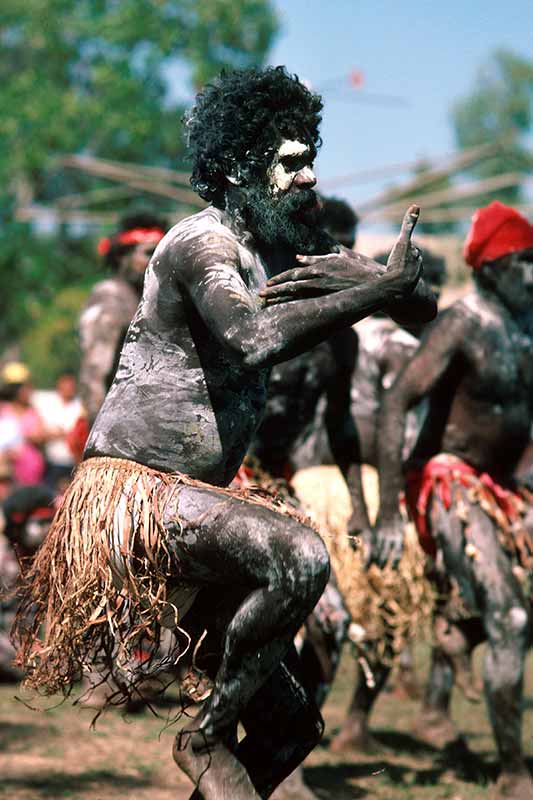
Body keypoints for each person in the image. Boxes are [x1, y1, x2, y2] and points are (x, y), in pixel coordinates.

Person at [13, 66, 434, 800]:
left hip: (197, 501)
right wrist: (373, 291)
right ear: (241, 166)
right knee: (300, 555)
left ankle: (214, 751)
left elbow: (421, 310)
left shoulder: (281, 249)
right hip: (136, 492)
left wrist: (387, 280)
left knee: (291, 730)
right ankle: (203, 733)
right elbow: (249, 340)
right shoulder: (198, 245)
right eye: (292, 161)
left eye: (312, 159)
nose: (308, 176)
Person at [373, 201, 533, 800]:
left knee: (511, 614)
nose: (532, 274)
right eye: (522, 263)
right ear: (491, 268)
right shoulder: (461, 323)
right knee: (510, 617)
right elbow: (395, 405)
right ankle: (515, 774)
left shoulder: (529, 324)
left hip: (507, 488)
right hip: (447, 480)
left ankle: (462, 632)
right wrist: (389, 510)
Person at [328, 248, 448, 755]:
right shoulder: (394, 341)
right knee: (385, 607)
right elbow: (375, 423)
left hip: (356, 477)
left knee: (373, 612)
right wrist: (383, 502)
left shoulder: (356, 333)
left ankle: (346, 723)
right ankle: (352, 722)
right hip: (374, 484)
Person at [79, 209, 167, 427]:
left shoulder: (150, 299)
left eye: (161, 254)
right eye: (149, 253)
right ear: (122, 258)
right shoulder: (111, 296)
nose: (156, 261)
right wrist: (100, 434)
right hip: (116, 427)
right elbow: (94, 373)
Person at [35, 371, 83, 491]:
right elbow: (39, 431)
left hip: (73, 461)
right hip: (52, 461)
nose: (69, 387)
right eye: (66, 383)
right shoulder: (46, 403)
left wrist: (65, 434)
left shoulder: (80, 405)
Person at [0, 363, 46, 486]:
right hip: (7, 476)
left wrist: (25, 436)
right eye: (25, 388)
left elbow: (41, 436)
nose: (29, 391)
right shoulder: (3, 410)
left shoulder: (32, 411)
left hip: (32, 475)